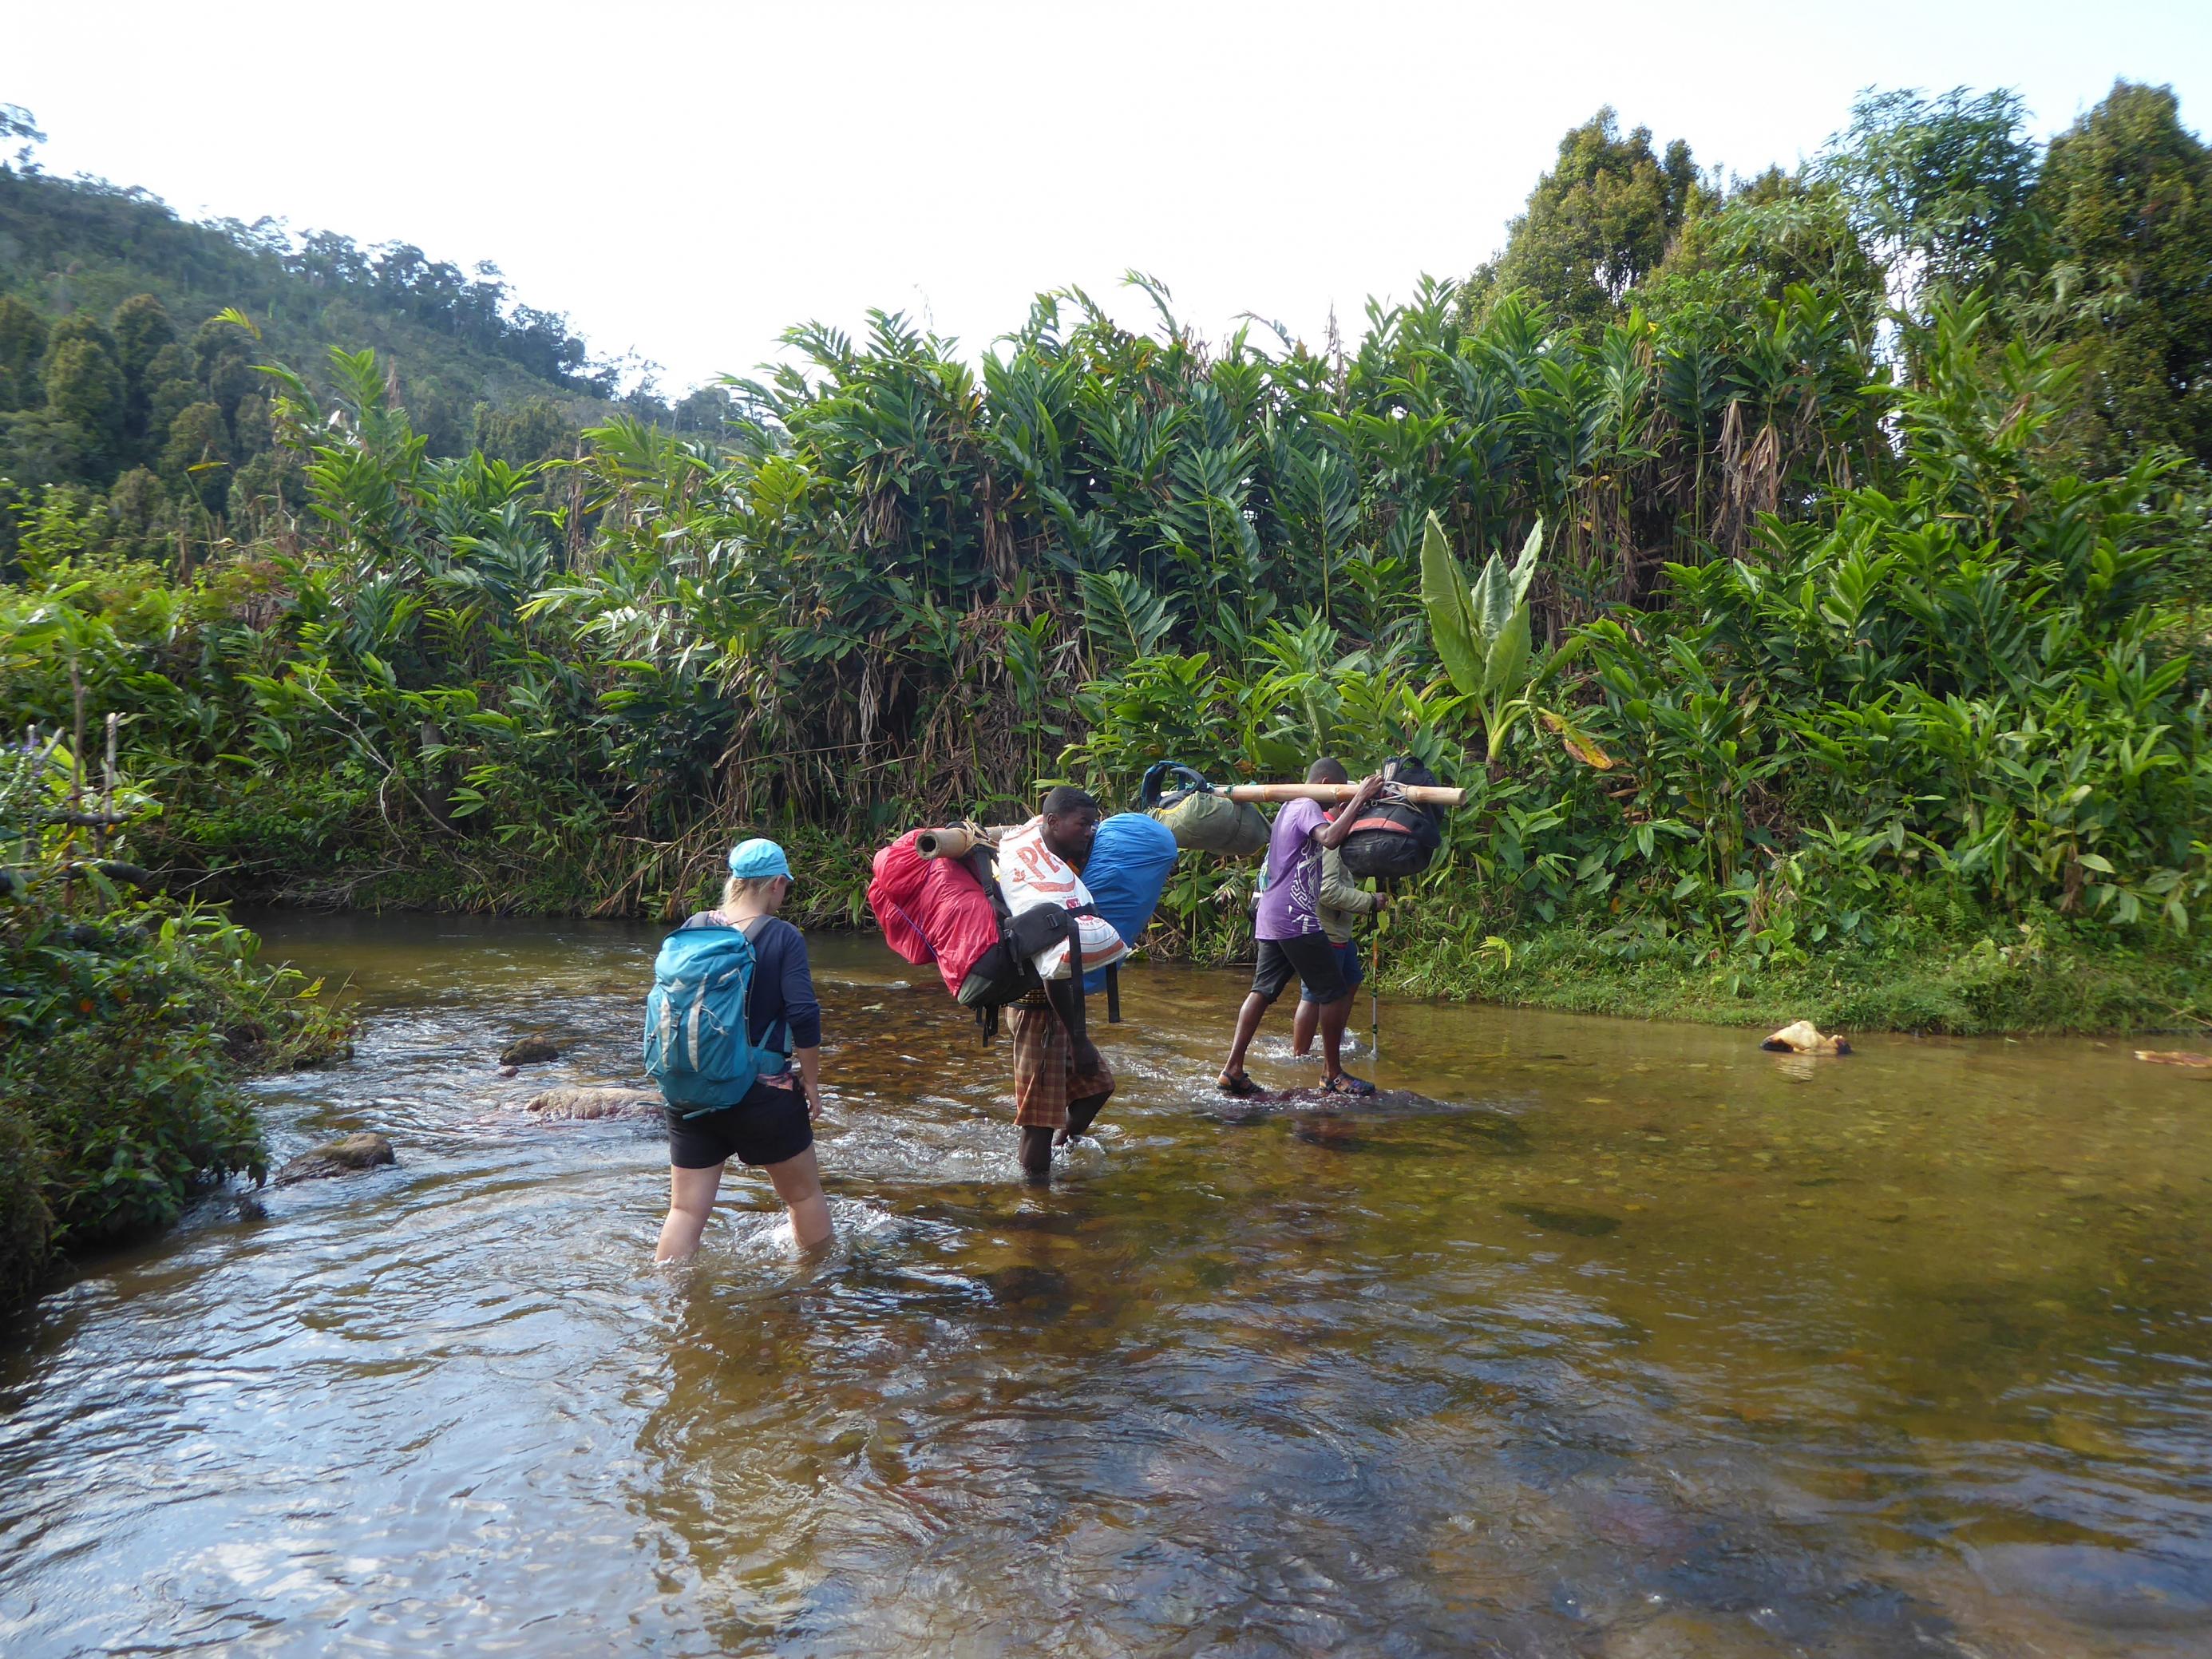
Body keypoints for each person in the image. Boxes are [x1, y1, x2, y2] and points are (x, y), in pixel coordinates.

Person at [655, 837, 830, 1261]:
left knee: (685, 1210)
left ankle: (667, 1304)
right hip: (762, 1091)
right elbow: (803, 1014)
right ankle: (820, 1289)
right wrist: (810, 1081)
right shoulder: (782, 936)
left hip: (691, 1087)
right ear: (774, 885)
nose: (784, 895)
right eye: (784, 886)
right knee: (803, 1198)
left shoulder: (694, 927)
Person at [1217, 758, 1383, 1097]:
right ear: (1324, 782)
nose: (1338, 801)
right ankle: (1332, 1074)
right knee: (1334, 992)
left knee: (1262, 992)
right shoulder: (1307, 804)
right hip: (1296, 917)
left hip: (1272, 914)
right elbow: (1331, 838)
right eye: (1338, 792)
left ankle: (1232, 1069)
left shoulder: (1288, 808)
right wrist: (1360, 797)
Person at [996, 786, 1121, 1181]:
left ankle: (1060, 1151)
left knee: (1099, 1086)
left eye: (1092, 824)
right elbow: (1054, 973)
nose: (1089, 832)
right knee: (1038, 1120)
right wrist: (1079, 1038)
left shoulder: (1046, 862)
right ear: (1051, 822)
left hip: (1049, 1012)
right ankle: (1036, 1205)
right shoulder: (1033, 880)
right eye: (1082, 824)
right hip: (1038, 1012)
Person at [1292, 766, 1390, 1059]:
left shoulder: (1331, 828)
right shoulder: (1327, 834)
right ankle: (1300, 1055)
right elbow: (1328, 891)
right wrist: (1369, 901)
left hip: (1338, 929)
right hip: (1324, 928)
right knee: (1314, 994)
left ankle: (1332, 1038)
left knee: (1351, 978)